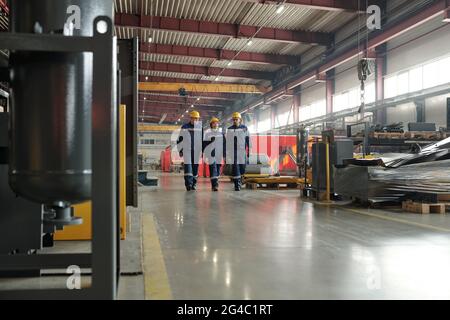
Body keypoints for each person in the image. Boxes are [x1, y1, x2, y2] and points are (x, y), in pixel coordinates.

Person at [177, 111, 203, 191]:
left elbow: (202, 140)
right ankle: (188, 184)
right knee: (188, 168)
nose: (195, 120)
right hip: (187, 150)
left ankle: (194, 184)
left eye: (196, 119)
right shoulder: (185, 127)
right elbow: (180, 139)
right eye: (193, 118)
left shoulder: (200, 128)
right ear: (190, 118)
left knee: (195, 168)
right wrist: (180, 150)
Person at [226, 112, 251, 191]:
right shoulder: (230, 129)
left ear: (240, 120)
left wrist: (250, 149)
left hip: (242, 151)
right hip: (234, 151)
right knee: (235, 167)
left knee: (242, 167)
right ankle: (237, 185)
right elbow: (228, 141)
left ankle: (240, 180)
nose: (235, 121)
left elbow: (248, 139)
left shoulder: (244, 128)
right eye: (234, 119)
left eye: (236, 119)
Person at [203, 117, 226, 192]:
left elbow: (224, 145)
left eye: (216, 123)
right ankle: (214, 185)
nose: (215, 124)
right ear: (211, 124)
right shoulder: (207, 134)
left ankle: (215, 181)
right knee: (213, 169)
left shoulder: (221, 134)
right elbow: (205, 145)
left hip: (219, 154)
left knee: (218, 169)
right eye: (213, 123)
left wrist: (225, 155)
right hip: (211, 154)